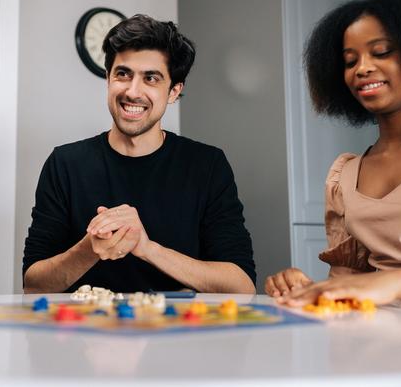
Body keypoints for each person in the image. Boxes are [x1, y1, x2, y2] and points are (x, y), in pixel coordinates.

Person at [23, 15, 256, 293]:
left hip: (178, 332)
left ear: (173, 91)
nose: (133, 91)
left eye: (151, 78)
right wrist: (90, 248)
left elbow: (242, 286)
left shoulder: (207, 165)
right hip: (84, 332)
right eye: (123, 74)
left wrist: (146, 248)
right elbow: (33, 285)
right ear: (108, 79)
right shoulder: (64, 164)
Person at [265, 0, 401, 307]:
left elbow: (382, 283)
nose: (361, 68)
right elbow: (349, 282)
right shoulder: (346, 173)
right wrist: (309, 288)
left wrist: (396, 282)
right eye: (350, 61)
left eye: (381, 52)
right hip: (371, 342)